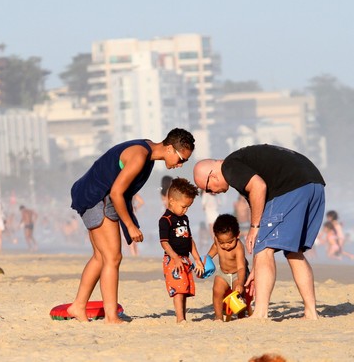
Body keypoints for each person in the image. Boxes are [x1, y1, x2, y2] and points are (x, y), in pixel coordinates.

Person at [67, 128, 195, 324]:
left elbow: (120, 191)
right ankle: (111, 316)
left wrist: (130, 223)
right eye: (181, 159)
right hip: (97, 196)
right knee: (113, 257)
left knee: (101, 257)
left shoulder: (147, 151)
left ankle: (78, 306)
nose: (180, 164)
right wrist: (130, 225)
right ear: (169, 148)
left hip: (98, 195)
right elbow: (118, 193)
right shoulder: (140, 156)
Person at [193, 144, 326, 320]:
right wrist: (256, 266)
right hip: (313, 184)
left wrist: (254, 228)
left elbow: (259, 187)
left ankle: (260, 313)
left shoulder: (229, 166)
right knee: (294, 251)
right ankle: (311, 312)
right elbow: (259, 204)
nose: (211, 193)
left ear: (212, 175)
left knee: (265, 250)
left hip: (291, 187)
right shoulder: (242, 162)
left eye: (208, 188)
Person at [158, 178, 204, 323]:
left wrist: (197, 259)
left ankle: (182, 316)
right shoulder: (165, 220)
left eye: (188, 207)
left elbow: (189, 240)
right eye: (184, 206)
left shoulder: (184, 218)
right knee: (178, 289)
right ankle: (180, 318)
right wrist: (175, 258)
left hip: (185, 258)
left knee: (184, 289)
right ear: (171, 201)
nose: (186, 210)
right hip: (173, 259)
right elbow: (164, 243)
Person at [206, 214, 250, 321]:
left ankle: (241, 316)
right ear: (216, 237)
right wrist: (206, 259)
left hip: (237, 274)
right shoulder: (218, 241)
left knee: (238, 292)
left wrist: (240, 283)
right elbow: (214, 249)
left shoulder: (239, 247)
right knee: (217, 290)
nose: (226, 245)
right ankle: (218, 316)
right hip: (223, 273)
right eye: (222, 242)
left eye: (230, 242)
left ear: (237, 235)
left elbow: (241, 267)